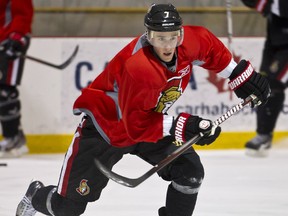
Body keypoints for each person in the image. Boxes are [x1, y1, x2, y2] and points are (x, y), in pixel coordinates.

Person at [16, 3, 270, 216]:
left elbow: (213, 52)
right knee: (68, 208)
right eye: (160, 38)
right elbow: (135, 125)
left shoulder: (191, 40)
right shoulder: (139, 69)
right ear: (149, 36)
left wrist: (241, 76)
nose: (168, 45)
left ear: (180, 33)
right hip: (107, 130)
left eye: (173, 37)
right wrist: (187, 125)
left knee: (190, 173)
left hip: (148, 124)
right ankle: (35, 194)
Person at [241, 0, 288, 157]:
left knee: (274, 84)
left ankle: (264, 134)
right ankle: (263, 134)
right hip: (274, 44)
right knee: (262, 86)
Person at [0, 0, 34, 158]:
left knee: (6, 90)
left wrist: (17, 37)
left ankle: (13, 138)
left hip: (11, 41)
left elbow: (23, 12)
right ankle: (15, 136)